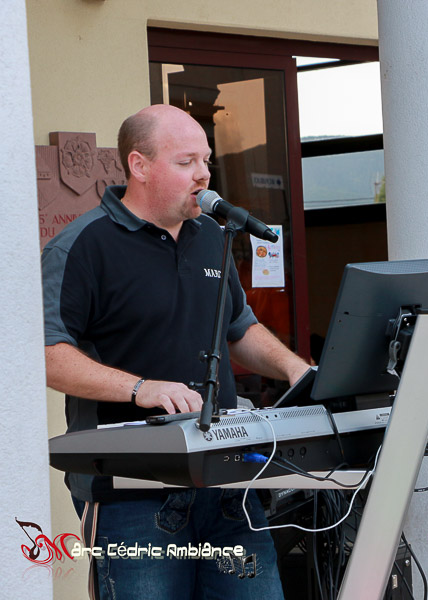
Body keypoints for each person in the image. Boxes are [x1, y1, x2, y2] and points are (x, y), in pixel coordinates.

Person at [41, 104, 310, 599]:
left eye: (206, 160)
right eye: (186, 162)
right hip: (131, 494)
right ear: (139, 165)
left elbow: (238, 327)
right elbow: (46, 353)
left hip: (228, 483)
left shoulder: (213, 237)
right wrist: (140, 389)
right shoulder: (80, 246)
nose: (204, 174)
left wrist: (296, 369)